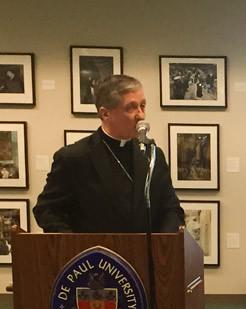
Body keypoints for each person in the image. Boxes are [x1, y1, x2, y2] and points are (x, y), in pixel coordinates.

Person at [34, 74, 184, 233]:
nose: (141, 115)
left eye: (143, 106)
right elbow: (46, 211)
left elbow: (171, 209)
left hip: (147, 255)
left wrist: (164, 244)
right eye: (131, 107)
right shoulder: (74, 157)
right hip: (96, 255)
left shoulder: (153, 155)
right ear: (105, 114)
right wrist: (76, 247)